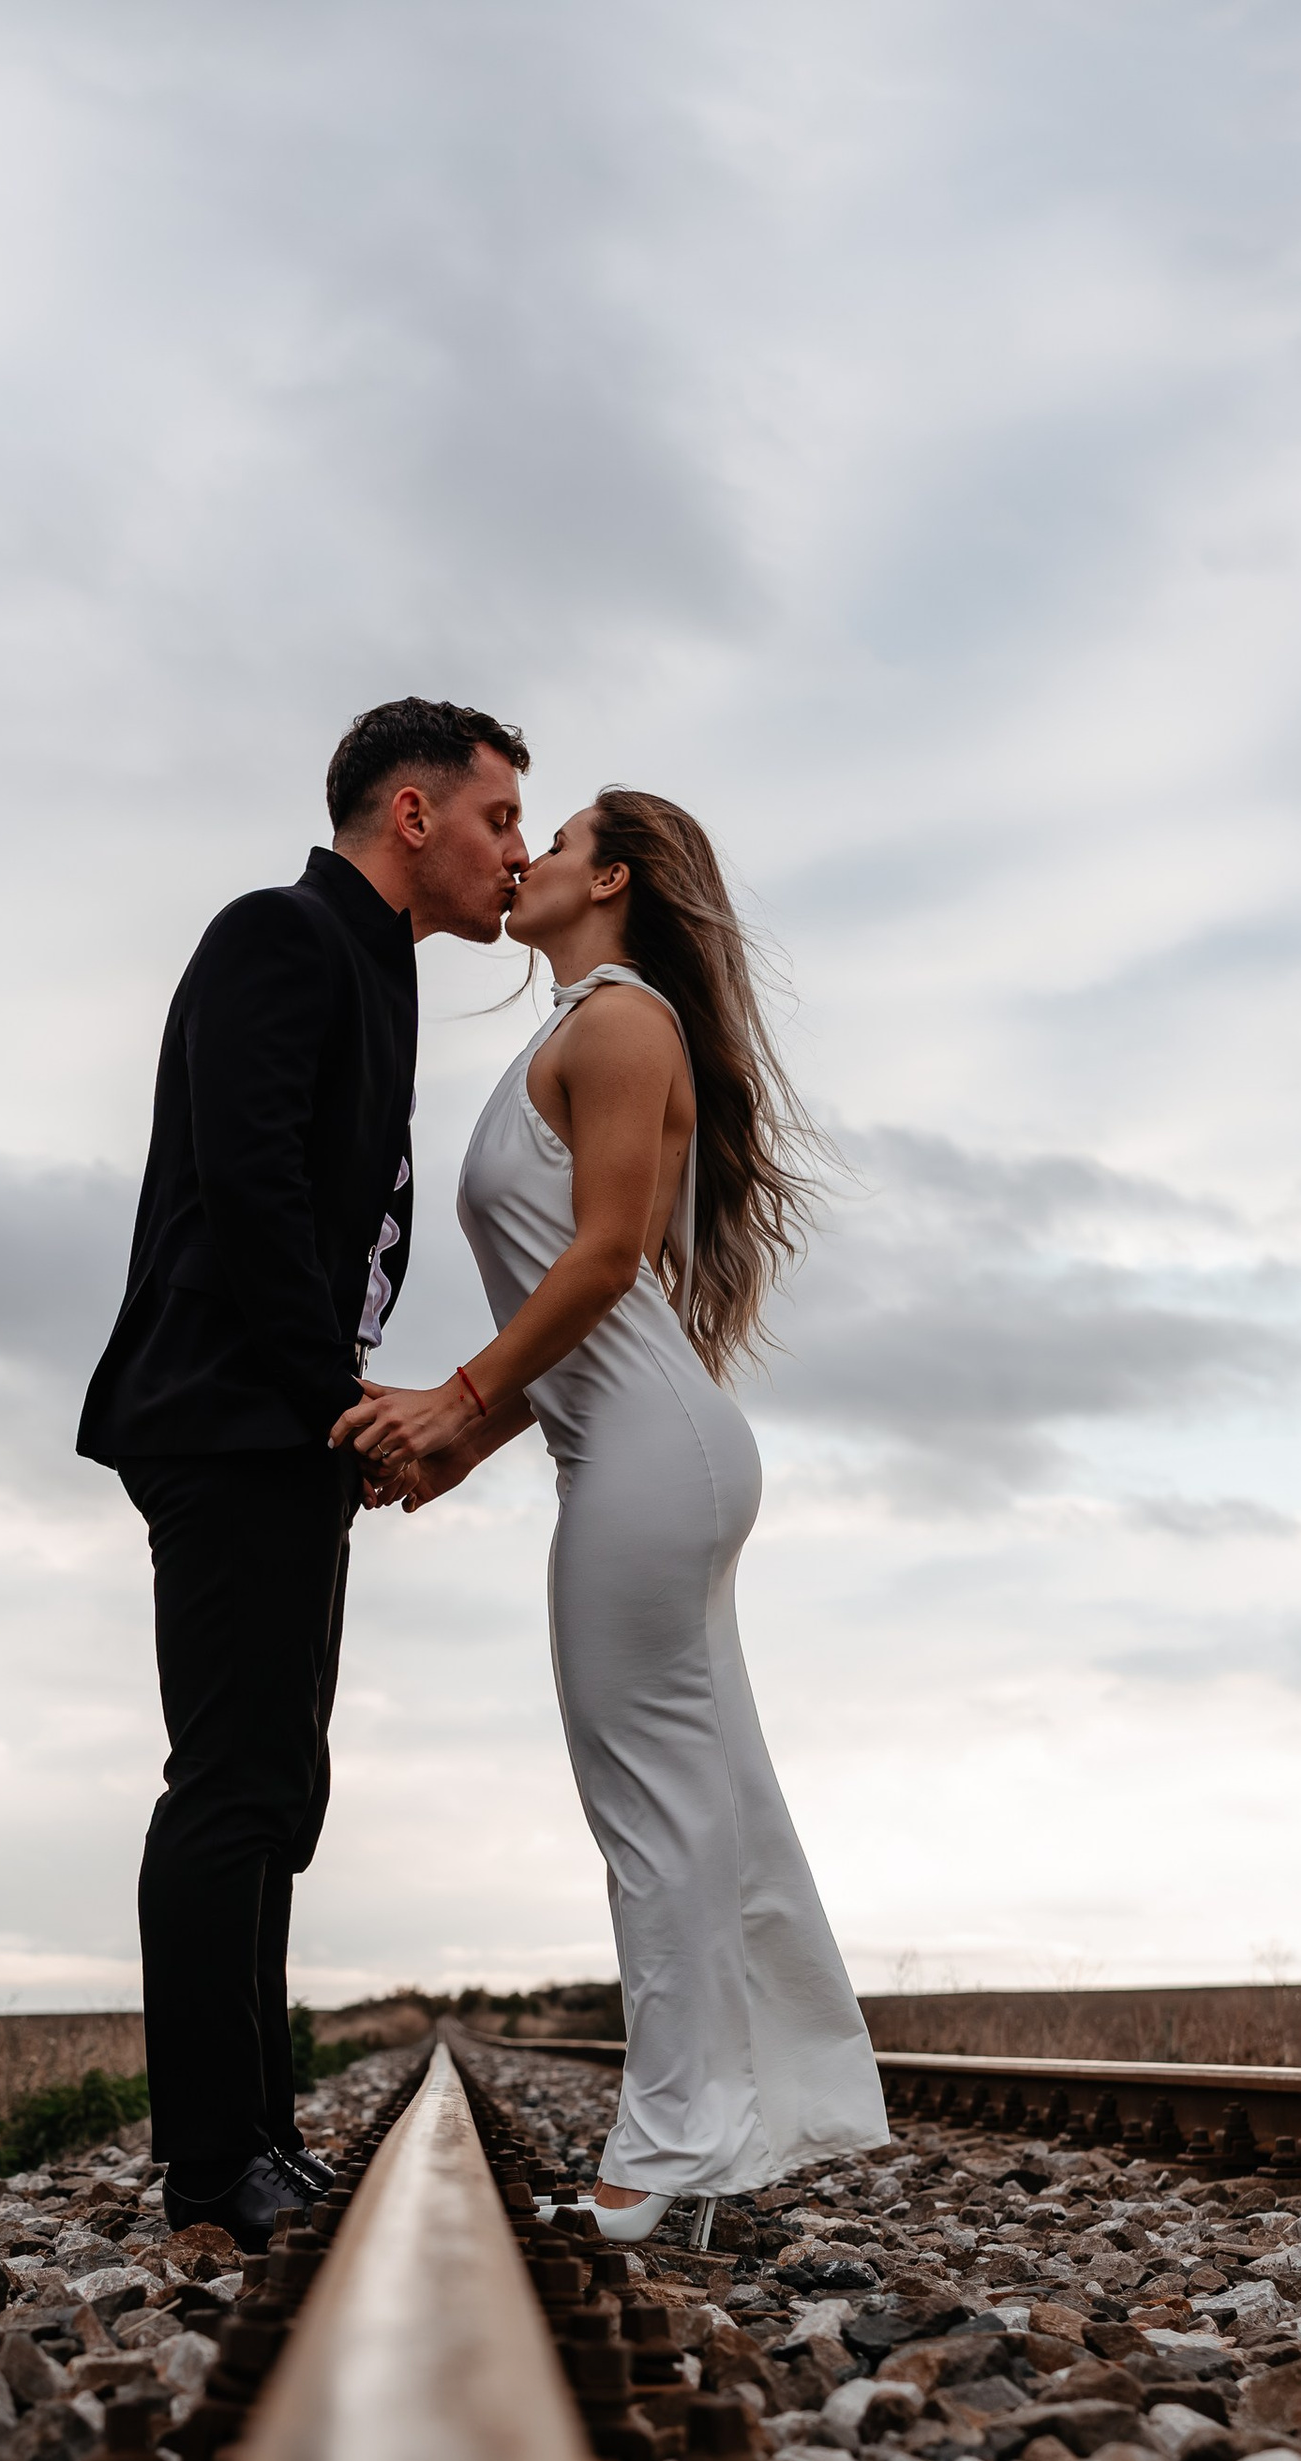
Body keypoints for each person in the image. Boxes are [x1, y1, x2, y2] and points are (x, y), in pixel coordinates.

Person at [334, 788, 887, 2242]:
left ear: (614, 879)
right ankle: (723, 2130)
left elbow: (605, 1262)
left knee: (656, 1811)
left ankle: (672, 2147)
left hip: (649, 1456)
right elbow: (584, 1299)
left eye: (557, 838)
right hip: (630, 1449)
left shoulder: (623, 1021)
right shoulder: (583, 1027)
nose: (526, 856)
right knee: (695, 1800)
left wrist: (456, 1400)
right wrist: (472, 1437)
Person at [79, 697, 531, 2248]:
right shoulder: (279, 934)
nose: (514, 855)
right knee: (233, 1785)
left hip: (276, 1424)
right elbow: (252, 1184)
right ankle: (214, 2169)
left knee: (279, 1788)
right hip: (231, 1415)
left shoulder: (372, 967)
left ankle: (257, 2137)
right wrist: (342, 1406)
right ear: (413, 814)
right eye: (496, 820)